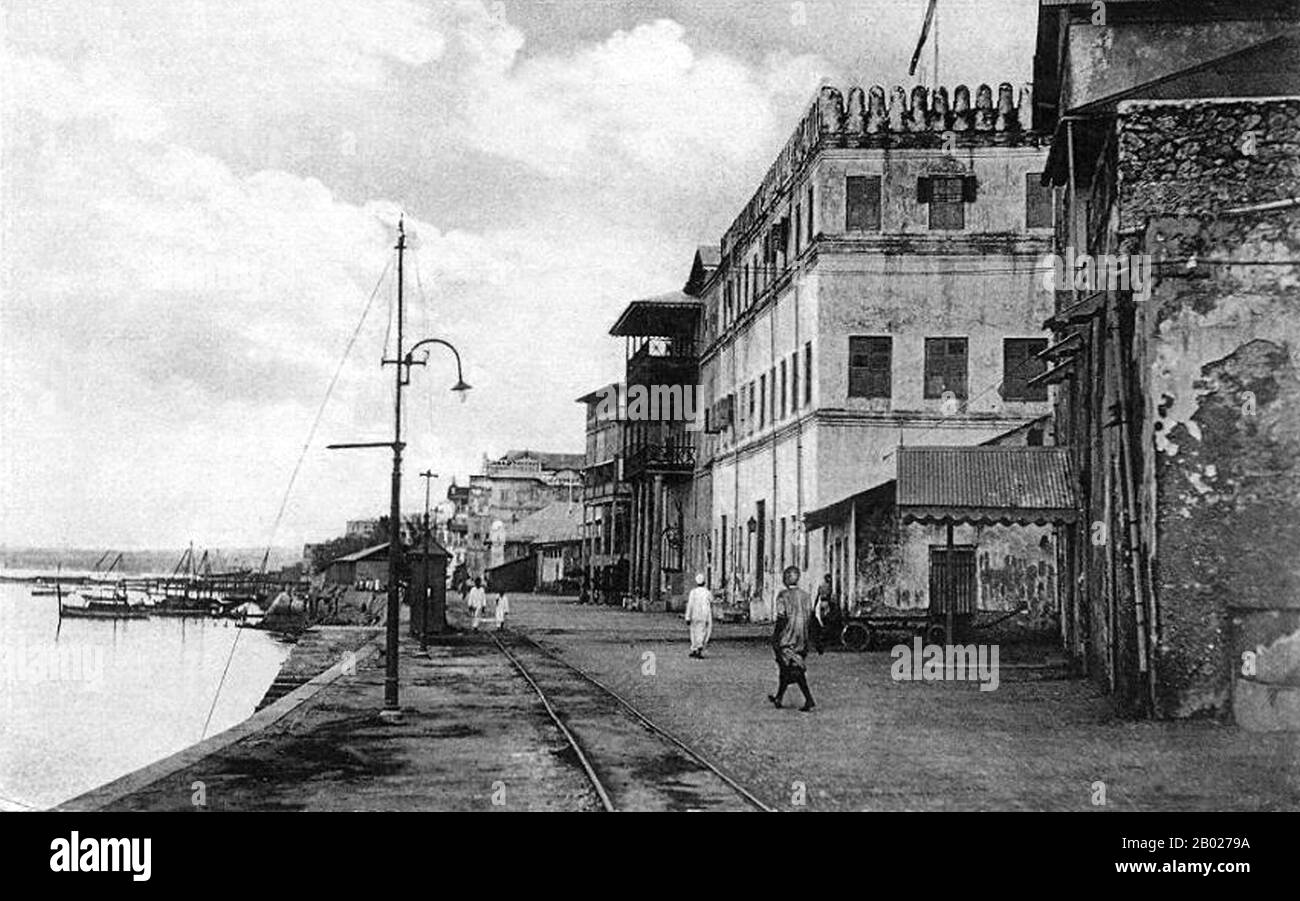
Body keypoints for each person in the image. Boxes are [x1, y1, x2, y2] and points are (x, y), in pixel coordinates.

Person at [768, 565, 816, 712]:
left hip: (788, 637)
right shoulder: (806, 596)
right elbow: (812, 619)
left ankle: (809, 699)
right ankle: (778, 697)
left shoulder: (783, 596)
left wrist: (775, 637)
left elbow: (781, 619)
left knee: (794, 669)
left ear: (787, 579)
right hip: (802, 637)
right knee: (786, 668)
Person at [684, 573, 713, 658]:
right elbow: (712, 600)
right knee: (702, 632)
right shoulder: (707, 592)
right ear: (704, 582)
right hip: (704, 615)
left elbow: (690, 605)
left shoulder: (693, 592)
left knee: (693, 632)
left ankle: (694, 648)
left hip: (694, 614)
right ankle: (699, 649)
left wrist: (687, 617)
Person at [812, 574, 834, 653]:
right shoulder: (829, 586)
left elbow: (817, 596)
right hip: (826, 603)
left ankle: (821, 638)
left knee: (822, 620)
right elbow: (829, 596)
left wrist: (814, 606)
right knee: (826, 620)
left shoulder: (821, 586)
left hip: (822, 602)